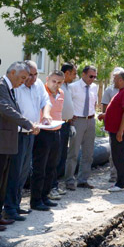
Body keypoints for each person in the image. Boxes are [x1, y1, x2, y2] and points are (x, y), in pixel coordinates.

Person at [0, 61, 39, 232]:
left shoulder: (8, 88)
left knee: (2, 183)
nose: (23, 81)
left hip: (4, 142)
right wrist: (28, 124)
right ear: (12, 72)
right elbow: (6, 110)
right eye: (22, 77)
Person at [3, 61, 52, 221]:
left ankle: (16, 205)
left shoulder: (38, 85)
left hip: (31, 133)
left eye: (35, 74)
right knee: (14, 172)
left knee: (24, 171)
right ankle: (9, 208)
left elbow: (46, 101)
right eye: (29, 75)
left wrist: (46, 114)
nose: (32, 78)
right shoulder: (16, 87)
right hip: (17, 134)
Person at [29, 70, 65, 211]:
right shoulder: (41, 92)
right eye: (54, 81)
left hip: (56, 131)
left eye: (59, 82)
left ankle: (45, 196)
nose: (56, 85)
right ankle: (36, 200)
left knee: (51, 167)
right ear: (48, 79)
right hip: (42, 133)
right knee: (40, 168)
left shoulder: (62, 94)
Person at [64, 65, 98, 190]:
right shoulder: (73, 87)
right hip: (77, 121)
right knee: (73, 152)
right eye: (90, 76)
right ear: (83, 74)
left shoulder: (94, 87)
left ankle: (83, 180)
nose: (93, 79)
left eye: (95, 76)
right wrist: (71, 121)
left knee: (88, 153)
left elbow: (94, 103)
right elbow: (67, 103)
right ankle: (69, 180)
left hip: (90, 120)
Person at [49, 63, 77, 200]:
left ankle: (55, 184)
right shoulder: (56, 88)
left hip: (65, 125)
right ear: (66, 73)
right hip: (56, 125)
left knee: (61, 157)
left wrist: (71, 122)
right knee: (55, 157)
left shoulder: (66, 87)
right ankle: (51, 187)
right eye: (73, 73)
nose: (75, 76)